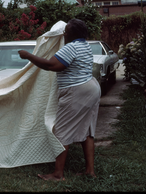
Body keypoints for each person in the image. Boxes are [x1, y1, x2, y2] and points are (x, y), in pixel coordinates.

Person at [18, 19, 101, 181]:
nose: (64, 33)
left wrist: (28, 56)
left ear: (72, 34)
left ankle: (57, 174)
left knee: (61, 131)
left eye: (66, 31)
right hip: (91, 87)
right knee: (87, 131)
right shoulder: (85, 46)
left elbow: (51, 66)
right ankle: (90, 171)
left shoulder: (71, 47)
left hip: (77, 90)